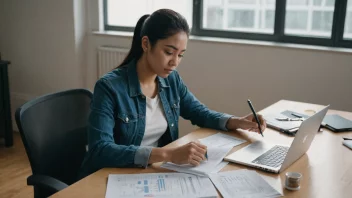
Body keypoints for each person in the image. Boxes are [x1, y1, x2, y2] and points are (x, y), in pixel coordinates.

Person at [78, 9, 266, 179]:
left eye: (181, 55)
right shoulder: (109, 87)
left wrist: (238, 122)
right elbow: (100, 150)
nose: (175, 62)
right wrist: (169, 154)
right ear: (146, 44)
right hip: (113, 176)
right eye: (169, 52)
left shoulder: (171, 80)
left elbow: (199, 112)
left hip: (152, 172)